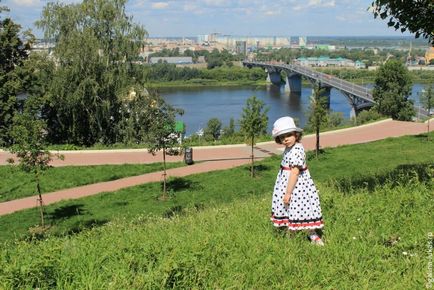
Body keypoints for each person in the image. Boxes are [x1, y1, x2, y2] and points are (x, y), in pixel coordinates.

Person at [270, 116, 325, 246]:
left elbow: (295, 172)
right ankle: (292, 232)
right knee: (291, 208)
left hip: (296, 186)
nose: (286, 139)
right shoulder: (290, 147)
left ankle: (312, 234)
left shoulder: (296, 150)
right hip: (288, 183)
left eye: (288, 135)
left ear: (296, 134)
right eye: (282, 137)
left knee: (301, 208)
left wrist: (288, 192)